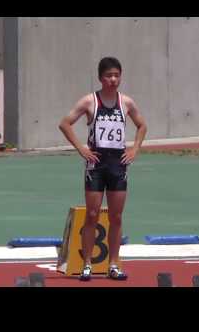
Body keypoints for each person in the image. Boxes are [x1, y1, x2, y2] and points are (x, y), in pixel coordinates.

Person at [59, 57, 147, 281]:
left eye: (117, 75)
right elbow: (65, 123)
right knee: (92, 214)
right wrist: (81, 148)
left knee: (116, 216)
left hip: (118, 163)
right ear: (100, 78)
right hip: (96, 163)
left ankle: (114, 264)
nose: (113, 79)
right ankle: (87, 264)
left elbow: (142, 125)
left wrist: (135, 149)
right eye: (109, 75)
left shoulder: (125, 102)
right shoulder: (90, 101)